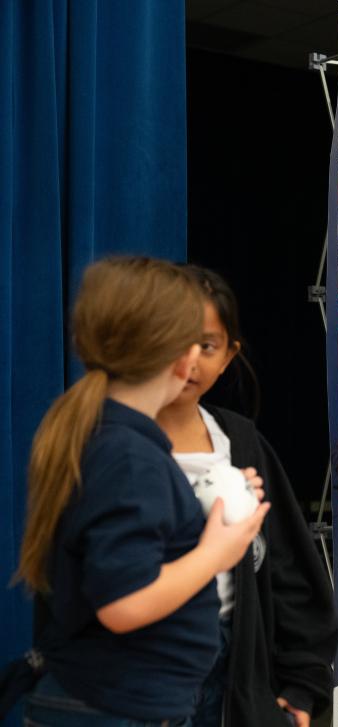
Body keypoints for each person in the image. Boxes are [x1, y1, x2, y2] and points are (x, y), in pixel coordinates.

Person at [15, 257, 269, 725]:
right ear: (183, 357)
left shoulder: (113, 441)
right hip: (115, 708)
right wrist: (216, 552)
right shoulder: (129, 456)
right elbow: (123, 603)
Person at [156, 265, 337, 727]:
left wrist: (300, 687)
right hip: (145, 668)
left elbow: (287, 568)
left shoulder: (239, 442)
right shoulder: (121, 445)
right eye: (174, 338)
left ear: (230, 354)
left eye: (208, 345)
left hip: (230, 674)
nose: (190, 360)